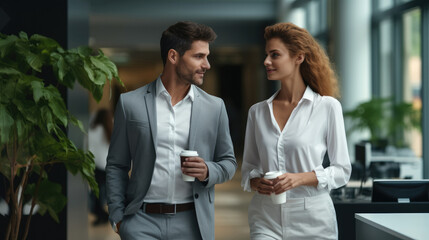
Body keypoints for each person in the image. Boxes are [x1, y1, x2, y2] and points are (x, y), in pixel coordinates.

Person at [106, 21, 237, 240]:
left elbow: (229, 162)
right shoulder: (130, 103)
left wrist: (207, 171)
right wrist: (118, 217)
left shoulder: (215, 107)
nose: (207, 64)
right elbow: (117, 164)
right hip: (141, 222)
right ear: (173, 56)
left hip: (192, 223)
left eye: (207, 56)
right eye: (199, 56)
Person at [241, 22, 352, 239]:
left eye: (275, 55)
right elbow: (249, 169)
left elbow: (342, 171)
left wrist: (299, 178)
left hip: (314, 219)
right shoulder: (257, 112)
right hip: (266, 216)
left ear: (298, 57)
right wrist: (257, 181)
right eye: (266, 54)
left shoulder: (327, 107)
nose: (266, 61)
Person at [88, 108, 113, 225]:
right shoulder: (109, 130)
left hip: (97, 165)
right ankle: (104, 214)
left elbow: (89, 147)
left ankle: (101, 215)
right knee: (104, 192)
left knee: (96, 192)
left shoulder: (94, 130)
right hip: (108, 165)